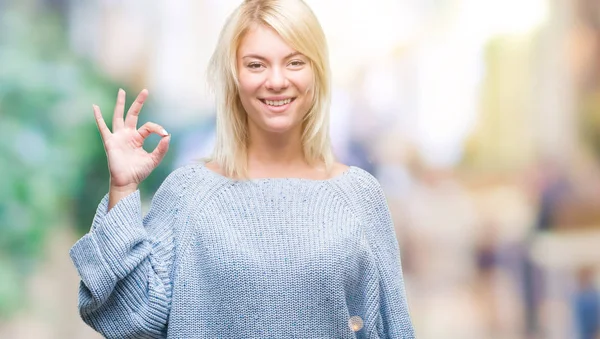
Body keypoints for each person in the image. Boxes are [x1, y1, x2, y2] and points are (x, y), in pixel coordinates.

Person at [69, 0, 415, 337]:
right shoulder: (189, 195)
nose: (276, 80)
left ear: (317, 72)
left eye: (294, 62)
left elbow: (392, 328)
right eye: (256, 65)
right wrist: (123, 188)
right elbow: (129, 317)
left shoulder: (357, 195)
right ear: (233, 77)